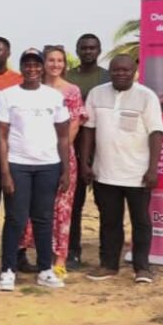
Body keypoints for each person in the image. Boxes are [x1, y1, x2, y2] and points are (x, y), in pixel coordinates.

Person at [81, 55, 163, 284]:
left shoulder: (146, 97)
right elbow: (89, 129)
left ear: (134, 71)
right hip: (104, 172)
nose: (120, 73)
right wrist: (85, 163)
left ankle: (142, 267)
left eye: (125, 70)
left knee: (140, 222)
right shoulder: (97, 94)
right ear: (110, 71)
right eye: (116, 70)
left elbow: (156, 133)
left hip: (138, 174)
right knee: (109, 221)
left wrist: (153, 169)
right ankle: (108, 265)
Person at [0, 49, 71, 292]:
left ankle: (45, 270)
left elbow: (63, 136)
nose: (32, 69)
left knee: (43, 218)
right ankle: (7, 270)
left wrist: (66, 169)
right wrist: (5, 171)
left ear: (42, 68)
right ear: (21, 67)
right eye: (27, 65)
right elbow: (2, 136)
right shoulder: (8, 96)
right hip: (18, 165)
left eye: (36, 65)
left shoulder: (53, 96)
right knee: (15, 218)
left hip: (48, 165)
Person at [18, 46, 86, 280]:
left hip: (63, 156)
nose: (55, 64)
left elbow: (74, 124)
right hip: (34, 156)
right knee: (34, 208)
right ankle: (37, 256)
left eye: (59, 60)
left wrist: (60, 151)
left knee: (62, 209)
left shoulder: (72, 91)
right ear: (42, 63)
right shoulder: (31, 89)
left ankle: (60, 259)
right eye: (51, 60)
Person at [65, 33, 110, 269]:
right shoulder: (68, 77)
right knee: (74, 205)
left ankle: (107, 253)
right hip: (74, 148)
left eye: (92, 48)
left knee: (106, 205)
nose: (88, 52)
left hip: (104, 149)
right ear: (77, 50)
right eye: (83, 48)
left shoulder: (107, 77)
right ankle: (73, 251)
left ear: (99, 50)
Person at [0, 36, 26, 271]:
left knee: (16, 211)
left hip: (15, 155)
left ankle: (17, 256)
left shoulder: (18, 81)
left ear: (8, 52)